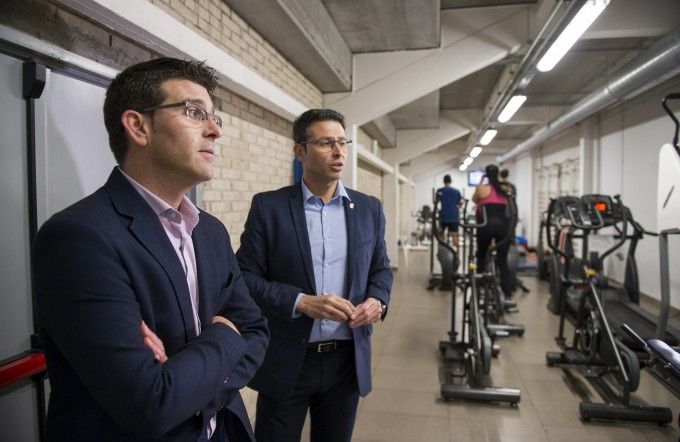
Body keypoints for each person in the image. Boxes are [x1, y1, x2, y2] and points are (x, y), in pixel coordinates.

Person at [33, 58, 269, 441]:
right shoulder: (79, 238)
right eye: (194, 112)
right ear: (138, 126)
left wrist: (188, 381)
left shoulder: (209, 231)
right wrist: (225, 335)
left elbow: (256, 330)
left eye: (214, 117)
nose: (215, 130)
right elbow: (150, 404)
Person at [236, 108, 393, 442]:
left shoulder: (369, 208)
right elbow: (244, 277)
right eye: (325, 143)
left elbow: (380, 267)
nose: (338, 152)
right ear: (300, 151)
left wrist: (377, 301)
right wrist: (301, 302)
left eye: (342, 143)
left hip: (346, 362)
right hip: (289, 359)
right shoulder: (269, 207)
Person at [472, 164, 513, 298]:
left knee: (481, 256)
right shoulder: (504, 189)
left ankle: (479, 289)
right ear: (498, 175)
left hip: (486, 227)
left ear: (486, 175)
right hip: (503, 229)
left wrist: (480, 183)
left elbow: (474, 200)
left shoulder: (482, 188)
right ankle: (507, 294)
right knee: (502, 261)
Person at [436, 174, 462, 246]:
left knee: (441, 236)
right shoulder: (456, 191)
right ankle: (455, 251)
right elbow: (459, 203)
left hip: (443, 216)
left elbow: (436, 202)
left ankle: (441, 250)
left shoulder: (440, 190)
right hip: (453, 216)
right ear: (451, 181)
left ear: (443, 181)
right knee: (455, 237)